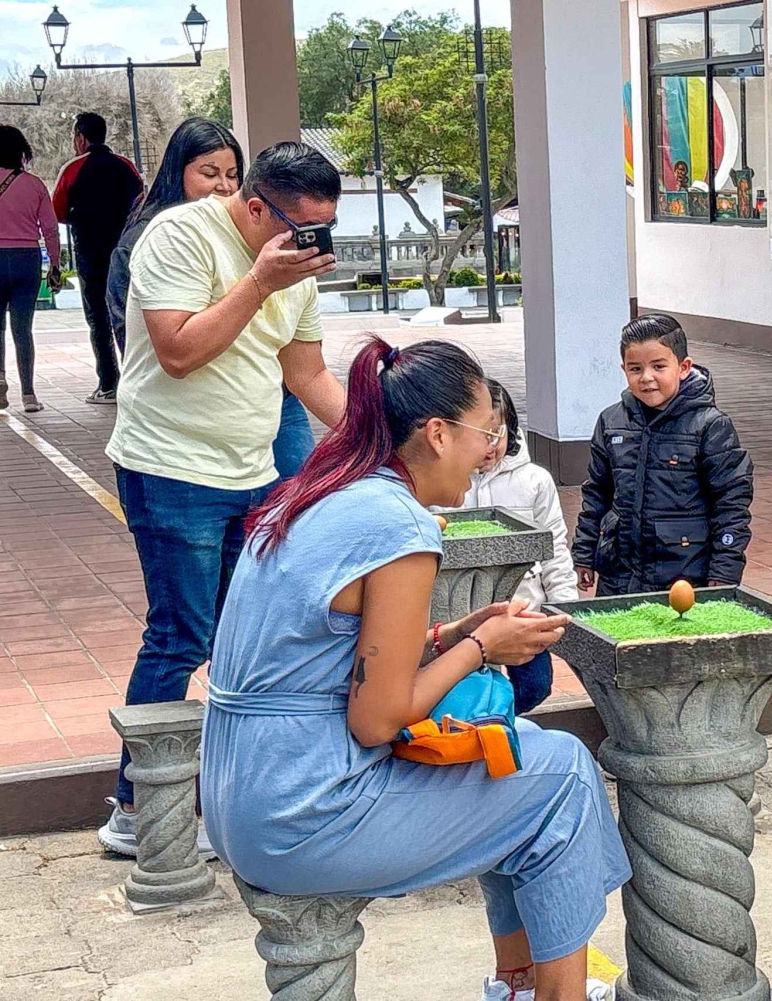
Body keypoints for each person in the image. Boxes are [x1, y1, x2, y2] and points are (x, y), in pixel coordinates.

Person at [201, 336, 629, 1001]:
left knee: (515, 752)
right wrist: (481, 649)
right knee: (566, 774)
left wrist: (452, 631)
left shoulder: (320, 492)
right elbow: (377, 719)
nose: (490, 451)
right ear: (436, 433)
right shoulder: (399, 524)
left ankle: (517, 983)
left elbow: (322, 647)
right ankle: (557, 994)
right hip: (306, 806)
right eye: (486, 433)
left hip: (239, 791)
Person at [98, 141, 346, 856]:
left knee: (245, 637)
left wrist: (383, 434)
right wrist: (258, 283)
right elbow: (175, 351)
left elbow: (306, 374)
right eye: (299, 227)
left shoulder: (290, 263)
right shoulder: (179, 234)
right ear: (256, 204)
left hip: (252, 471)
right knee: (181, 634)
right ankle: (136, 804)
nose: (310, 244)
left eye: (322, 229)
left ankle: (223, 797)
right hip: (170, 468)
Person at [105, 117, 315, 481]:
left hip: (264, 411)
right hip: (182, 446)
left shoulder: (271, 241)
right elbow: (162, 350)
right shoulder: (160, 236)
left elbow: (308, 370)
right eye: (209, 172)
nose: (223, 185)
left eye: (233, 175)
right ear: (177, 172)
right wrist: (259, 284)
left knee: (296, 510)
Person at [572, 313, 753, 596]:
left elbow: (731, 504)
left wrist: (724, 570)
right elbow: (597, 492)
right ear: (624, 369)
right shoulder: (611, 421)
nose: (647, 378)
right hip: (619, 577)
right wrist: (585, 552)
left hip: (685, 580)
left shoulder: (711, 426)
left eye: (659, 366)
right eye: (635, 369)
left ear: (683, 367)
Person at [442, 378, 578, 714]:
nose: (488, 446)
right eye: (479, 434)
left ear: (511, 428)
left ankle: (507, 722)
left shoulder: (534, 481)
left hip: (524, 611)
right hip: (464, 617)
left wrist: (564, 604)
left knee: (534, 686)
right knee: (473, 689)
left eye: (496, 433)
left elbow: (555, 546)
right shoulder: (446, 483)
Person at [52, 111, 142, 404]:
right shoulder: (126, 166)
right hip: (127, 251)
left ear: (80, 137)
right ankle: (138, 380)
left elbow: (59, 211)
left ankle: (108, 384)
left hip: (90, 252)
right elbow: (142, 201)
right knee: (131, 314)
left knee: (98, 318)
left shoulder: (73, 168)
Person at [0, 125, 60, 414]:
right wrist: (56, 263)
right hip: (27, 258)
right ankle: (29, 395)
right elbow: (50, 228)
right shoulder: (35, 184)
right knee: (22, 328)